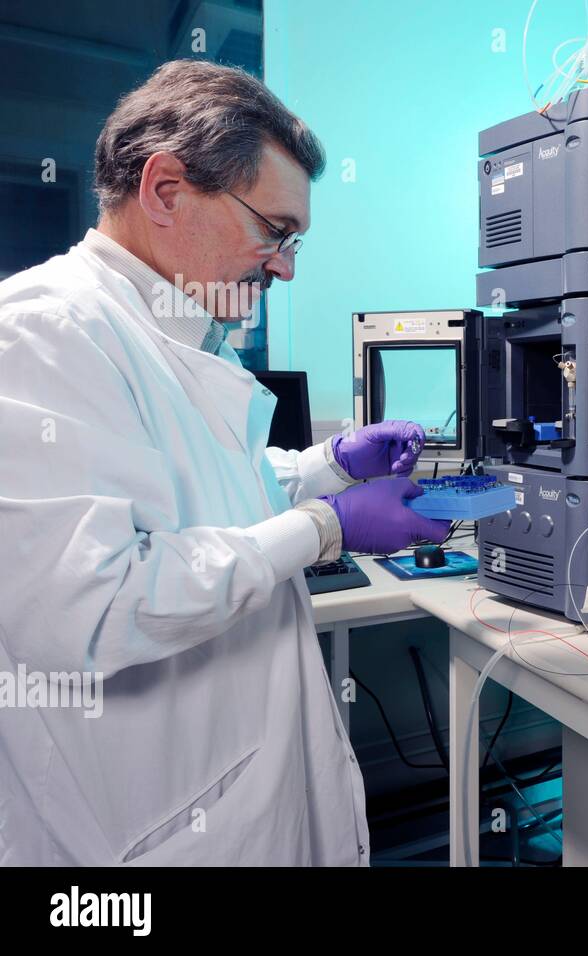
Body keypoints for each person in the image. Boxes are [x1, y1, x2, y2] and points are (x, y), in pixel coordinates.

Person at [0, 60, 446, 865]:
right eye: (273, 231)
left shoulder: (179, 328)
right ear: (166, 189)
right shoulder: (38, 334)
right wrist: (321, 529)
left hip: (238, 790)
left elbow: (197, 499)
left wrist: (325, 467)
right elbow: (92, 607)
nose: (285, 266)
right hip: (145, 834)